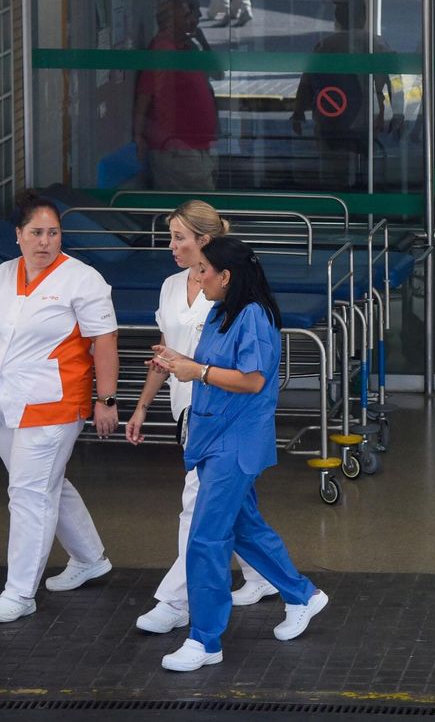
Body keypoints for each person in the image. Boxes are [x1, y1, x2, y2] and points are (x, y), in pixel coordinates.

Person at [150, 237, 329, 671]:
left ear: (226, 275)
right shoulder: (221, 312)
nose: (197, 278)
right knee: (245, 529)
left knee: (206, 539)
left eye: (203, 271)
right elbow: (211, 365)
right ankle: (304, 594)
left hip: (235, 442)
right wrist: (179, 361)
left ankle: (205, 640)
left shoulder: (254, 316)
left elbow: (251, 380)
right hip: (212, 437)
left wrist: (199, 371)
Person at [0, 189, 121, 623]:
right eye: (37, 233)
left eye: (53, 233)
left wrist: (106, 400)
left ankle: (20, 593)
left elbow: (105, 342)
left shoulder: (83, 279)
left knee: (28, 495)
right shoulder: (3, 274)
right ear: (18, 235)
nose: (45, 241)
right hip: (4, 403)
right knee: (48, 485)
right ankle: (89, 558)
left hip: (56, 404)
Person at [124, 201, 277, 634]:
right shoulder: (171, 286)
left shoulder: (232, 290)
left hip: (225, 414)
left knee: (197, 508)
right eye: (171, 237)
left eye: (179, 238)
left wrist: (200, 371)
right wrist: (141, 405)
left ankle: (177, 601)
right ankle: (263, 576)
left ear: (204, 242)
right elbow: (165, 351)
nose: (171, 246)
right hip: (186, 410)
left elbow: (249, 371)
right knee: (233, 508)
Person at [291, 0, 393, 189]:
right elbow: (392, 82)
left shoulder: (325, 45)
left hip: (331, 122)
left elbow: (307, 83)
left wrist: (298, 112)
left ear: (337, 19)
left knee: (334, 177)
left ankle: (340, 211)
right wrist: (395, 114)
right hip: (365, 122)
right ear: (363, 17)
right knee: (367, 174)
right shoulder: (378, 44)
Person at [135, 0, 220, 191]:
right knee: (200, 211)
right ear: (170, 23)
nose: (194, 20)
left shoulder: (186, 47)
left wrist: (202, 41)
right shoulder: (163, 51)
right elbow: (145, 96)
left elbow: (218, 73)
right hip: (179, 150)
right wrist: (138, 135)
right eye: (187, 16)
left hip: (199, 146)